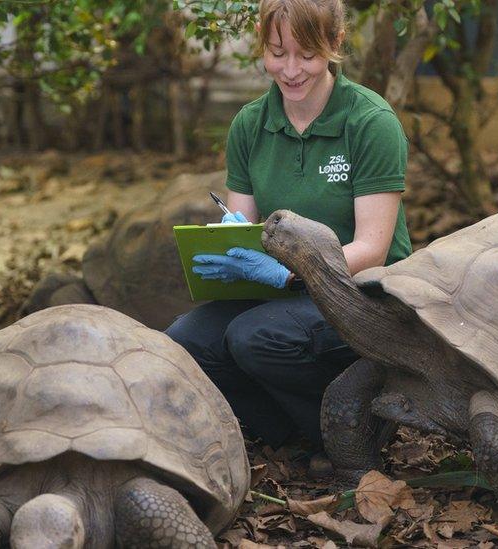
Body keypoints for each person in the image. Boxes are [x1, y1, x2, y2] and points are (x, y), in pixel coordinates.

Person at [165, 0, 411, 451]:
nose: (292, 70)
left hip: (363, 294)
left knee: (254, 337)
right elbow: (242, 227)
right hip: (284, 292)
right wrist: (231, 250)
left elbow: (373, 249)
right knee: (184, 340)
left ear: (335, 44)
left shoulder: (370, 123)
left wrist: (292, 272)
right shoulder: (250, 125)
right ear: (262, 42)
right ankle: (288, 435)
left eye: (307, 54)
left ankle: (355, 433)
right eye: (278, 53)